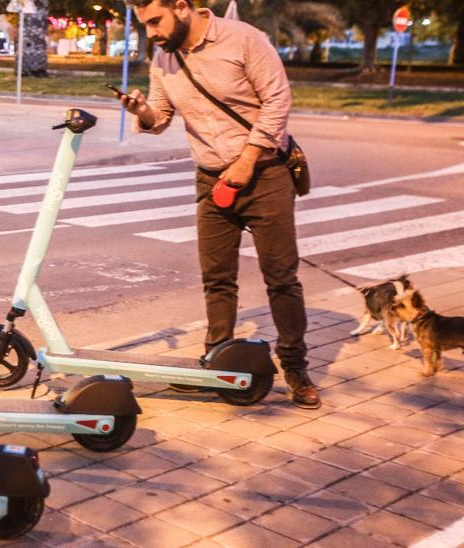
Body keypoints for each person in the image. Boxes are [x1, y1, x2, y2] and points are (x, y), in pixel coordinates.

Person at [120, 0, 318, 409]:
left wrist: (247, 161)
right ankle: (217, 363)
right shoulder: (164, 57)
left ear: (182, 7)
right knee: (217, 279)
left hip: (264, 174)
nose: (151, 32)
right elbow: (161, 117)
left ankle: (296, 367)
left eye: (155, 21)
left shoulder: (244, 40)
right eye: (145, 25)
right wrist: (142, 111)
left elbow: (278, 101)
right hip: (211, 179)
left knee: (281, 277)